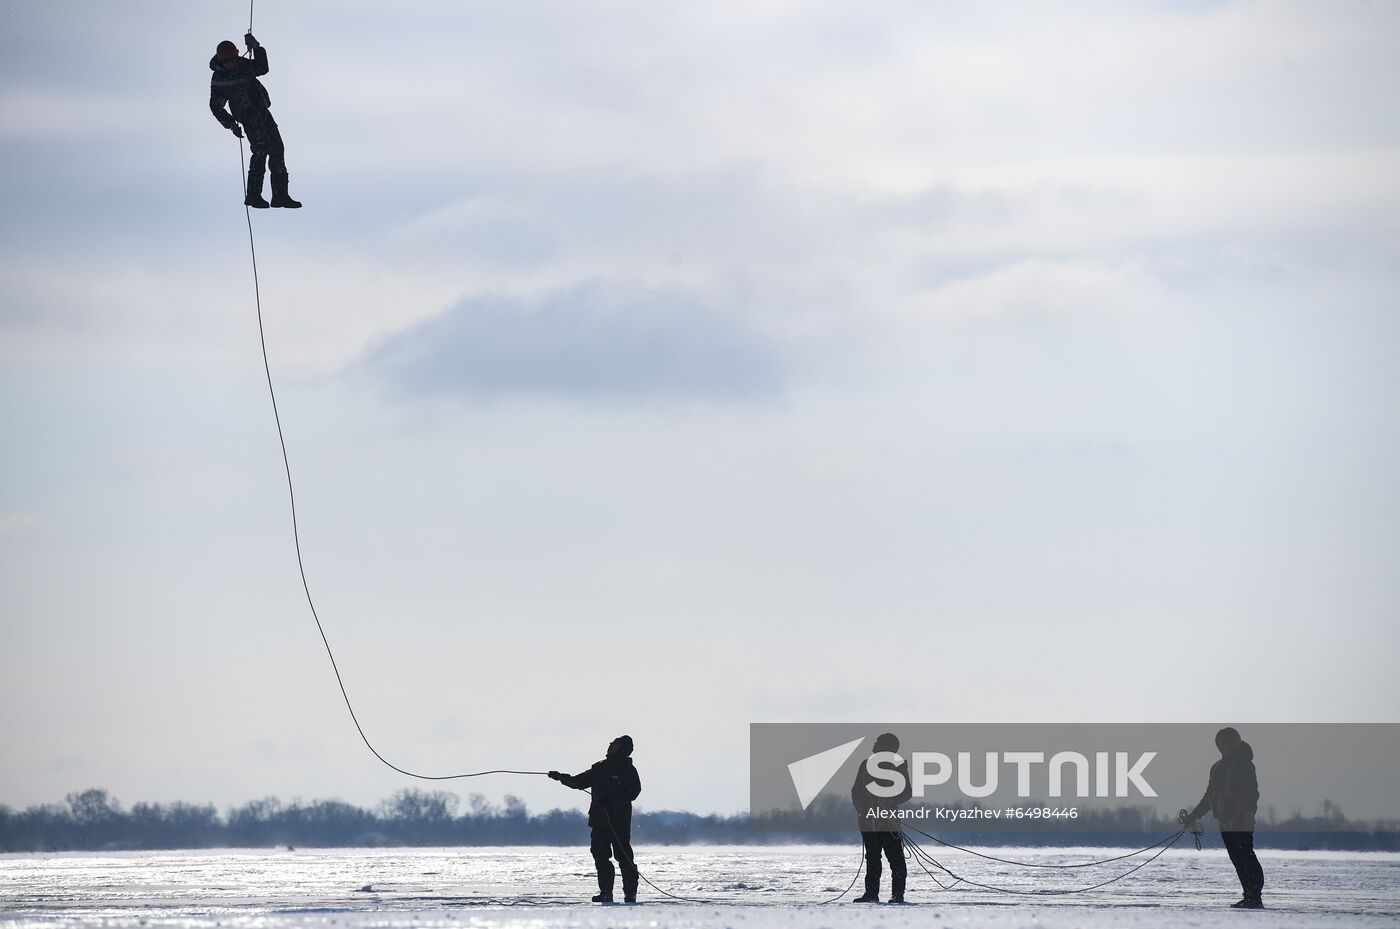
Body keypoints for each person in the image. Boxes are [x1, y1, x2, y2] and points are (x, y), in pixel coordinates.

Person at [209, 33, 301, 209]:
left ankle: (280, 196)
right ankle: (253, 195)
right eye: (227, 61)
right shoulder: (219, 79)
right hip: (248, 116)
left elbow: (262, 68)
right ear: (221, 61)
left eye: (233, 59)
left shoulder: (243, 66)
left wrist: (257, 47)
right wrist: (231, 125)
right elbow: (215, 106)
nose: (231, 63)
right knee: (260, 151)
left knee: (277, 148)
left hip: (262, 111)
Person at [549, 735, 643, 903]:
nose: (609, 745)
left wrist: (612, 801)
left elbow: (634, 792)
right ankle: (606, 892)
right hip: (599, 821)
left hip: (618, 822)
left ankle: (630, 894)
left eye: (614, 744)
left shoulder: (628, 770)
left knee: (623, 857)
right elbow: (578, 782)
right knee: (600, 856)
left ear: (621, 748)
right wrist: (560, 777)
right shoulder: (600, 768)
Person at [1181, 726, 1265, 909]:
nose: (1221, 748)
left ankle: (1255, 896)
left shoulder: (1245, 765)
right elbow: (1208, 798)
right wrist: (1193, 817)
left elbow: (1253, 793)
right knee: (1237, 859)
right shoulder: (1216, 768)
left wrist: (1249, 813)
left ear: (1233, 743)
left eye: (1224, 744)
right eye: (1219, 745)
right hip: (1225, 822)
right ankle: (1248, 894)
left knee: (1246, 856)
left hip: (1242, 820)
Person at [850, 732, 912, 903]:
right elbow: (856, 791)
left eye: (878, 742)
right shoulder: (865, 765)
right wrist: (862, 808)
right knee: (872, 858)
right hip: (869, 821)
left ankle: (897, 895)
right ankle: (871, 894)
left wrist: (889, 799)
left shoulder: (898, 766)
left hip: (888, 821)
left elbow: (906, 792)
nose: (874, 743)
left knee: (896, 858)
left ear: (886, 746)